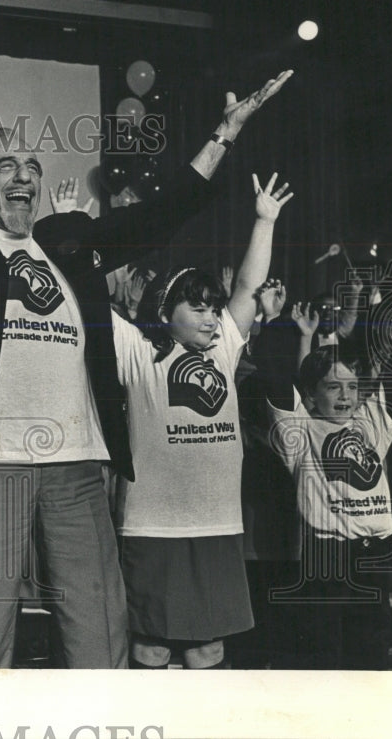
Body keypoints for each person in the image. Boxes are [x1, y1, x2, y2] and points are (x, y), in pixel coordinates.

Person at [0, 0, 293, 668]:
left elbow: (155, 218)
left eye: (32, 166)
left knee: (98, 627)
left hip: (76, 463)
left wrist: (223, 135)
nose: (23, 174)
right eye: (5, 165)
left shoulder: (69, 240)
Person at [109, 173, 293, 669]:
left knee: (208, 648)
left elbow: (250, 285)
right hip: (151, 527)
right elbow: (88, 296)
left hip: (217, 525)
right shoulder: (137, 351)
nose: (213, 318)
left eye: (215, 308)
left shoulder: (225, 347)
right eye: (199, 308)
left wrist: (264, 220)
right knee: (151, 646)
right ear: (165, 311)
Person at [263, 321, 392, 669]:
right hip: (329, 556)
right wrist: (282, 324)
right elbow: (278, 379)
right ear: (309, 395)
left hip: (376, 554)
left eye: (352, 387)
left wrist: (387, 328)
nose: (345, 396)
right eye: (333, 387)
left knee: (372, 650)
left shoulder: (369, 423)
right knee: (323, 651)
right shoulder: (300, 431)